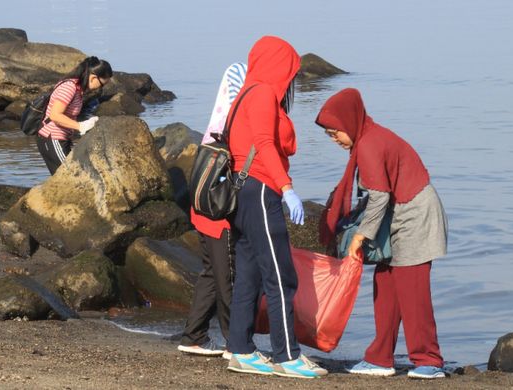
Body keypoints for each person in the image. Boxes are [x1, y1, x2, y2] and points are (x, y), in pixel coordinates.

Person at [316, 88, 448, 379]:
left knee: (413, 291)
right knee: (386, 286)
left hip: (415, 217)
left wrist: (360, 237)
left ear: (350, 122)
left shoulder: (369, 144)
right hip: (396, 218)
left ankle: (429, 359)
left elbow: (379, 197)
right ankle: (380, 358)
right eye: (329, 135)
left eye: (335, 132)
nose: (335, 139)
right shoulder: (367, 138)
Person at [225, 36, 327, 379]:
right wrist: (286, 188)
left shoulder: (244, 93)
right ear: (278, 66)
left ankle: (240, 348)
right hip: (260, 190)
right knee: (281, 276)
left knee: (249, 274)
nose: (292, 79)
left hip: (240, 191)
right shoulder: (264, 94)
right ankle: (287, 356)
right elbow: (265, 145)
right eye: (290, 70)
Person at [177, 62, 247, 359]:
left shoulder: (214, 127)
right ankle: (236, 344)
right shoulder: (237, 126)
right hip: (220, 215)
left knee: (210, 273)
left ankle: (195, 335)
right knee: (228, 276)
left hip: (201, 210)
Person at [36, 56, 113, 175]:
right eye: (102, 84)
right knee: (71, 176)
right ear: (93, 77)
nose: (101, 88)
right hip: (52, 138)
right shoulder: (69, 87)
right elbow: (55, 115)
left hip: (62, 139)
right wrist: (80, 126)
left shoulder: (78, 89)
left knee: (68, 178)